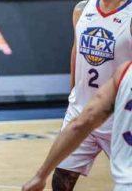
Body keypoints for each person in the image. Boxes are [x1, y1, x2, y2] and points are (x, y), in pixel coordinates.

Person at [48, 0, 132, 190]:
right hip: (81, 111)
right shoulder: (82, 9)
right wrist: (73, 93)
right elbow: (76, 52)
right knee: (61, 180)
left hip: (119, 115)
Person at [22, 61, 132, 191]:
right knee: (61, 179)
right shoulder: (123, 73)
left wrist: (40, 176)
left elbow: (81, 124)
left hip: (125, 184)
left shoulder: (125, 73)